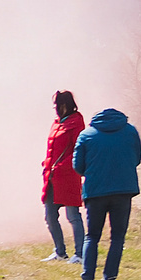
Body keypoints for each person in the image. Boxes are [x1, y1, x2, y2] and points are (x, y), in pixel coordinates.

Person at [73, 104, 141, 280]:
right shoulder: (130, 131)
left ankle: (86, 279)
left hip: (96, 192)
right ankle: (109, 279)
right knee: (118, 236)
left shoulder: (87, 135)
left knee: (92, 236)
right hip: (123, 191)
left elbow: (78, 166)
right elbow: (137, 158)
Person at [41, 90, 86, 264]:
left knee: (73, 215)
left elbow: (77, 149)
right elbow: (51, 150)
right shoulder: (56, 124)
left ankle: (80, 254)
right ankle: (60, 251)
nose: (55, 109)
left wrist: (60, 167)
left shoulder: (77, 123)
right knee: (50, 215)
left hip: (68, 177)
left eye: (56, 105)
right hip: (52, 178)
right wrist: (46, 164)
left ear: (64, 105)